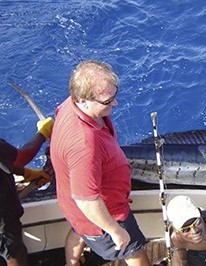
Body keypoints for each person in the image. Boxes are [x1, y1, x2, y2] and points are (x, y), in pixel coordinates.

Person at [50, 60, 151, 266]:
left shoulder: (68, 104)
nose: (115, 104)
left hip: (74, 210)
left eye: (115, 96)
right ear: (83, 100)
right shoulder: (84, 145)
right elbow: (87, 201)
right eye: (107, 101)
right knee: (134, 252)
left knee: (79, 231)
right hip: (105, 212)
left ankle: (72, 263)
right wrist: (115, 230)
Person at [0, 117, 53, 266]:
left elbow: (4, 160)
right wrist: (43, 134)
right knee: (12, 251)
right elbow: (21, 157)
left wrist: (26, 173)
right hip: (3, 221)